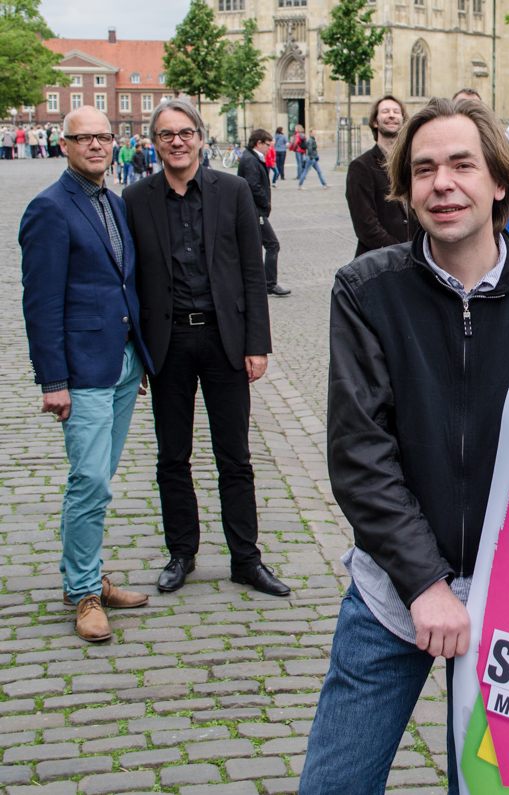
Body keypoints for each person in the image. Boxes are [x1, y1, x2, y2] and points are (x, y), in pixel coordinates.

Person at [300, 97, 509, 795]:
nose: (442, 183)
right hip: (396, 590)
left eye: (462, 164)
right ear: (405, 190)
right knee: (333, 784)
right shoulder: (367, 290)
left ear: (498, 182)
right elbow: (360, 453)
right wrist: (426, 582)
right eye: (423, 169)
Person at [121, 99, 287, 598]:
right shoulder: (135, 199)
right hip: (168, 341)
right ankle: (181, 552)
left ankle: (245, 558)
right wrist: (140, 352)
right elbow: (128, 281)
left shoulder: (232, 191)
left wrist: (257, 342)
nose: (177, 140)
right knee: (173, 455)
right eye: (167, 133)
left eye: (185, 132)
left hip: (223, 339)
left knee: (234, 455)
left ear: (199, 137)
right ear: (156, 142)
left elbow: (252, 273)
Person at [18, 106, 152, 642]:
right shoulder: (49, 208)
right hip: (82, 370)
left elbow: (124, 285)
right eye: (84, 138)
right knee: (89, 480)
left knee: (102, 477)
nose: (96, 145)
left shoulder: (114, 204)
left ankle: (92, 573)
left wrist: (136, 355)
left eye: (104, 136)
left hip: (121, 363)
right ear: (65, 145)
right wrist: (53, 381)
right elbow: (41, 302)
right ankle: (83, 592)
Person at [346, 95, 416, 256]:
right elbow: (366, 226)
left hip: (415, 260)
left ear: (404, 121)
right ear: (374, 122)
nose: (391, 115)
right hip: (379, 260)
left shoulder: (413, 164)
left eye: (396, 112)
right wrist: (400, 253)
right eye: (385, 111)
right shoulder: (361, 166)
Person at [238, 128, 290, 297]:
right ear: (258, 143)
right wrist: (265, 204)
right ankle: (269, 283)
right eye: (268, 145)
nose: (270, 148)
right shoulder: (251, 160)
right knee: (272, 244)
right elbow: (253, 186)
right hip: (255, 211)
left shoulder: (251, 158)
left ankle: (259, 282)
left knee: (256, 246)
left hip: (254, 210)